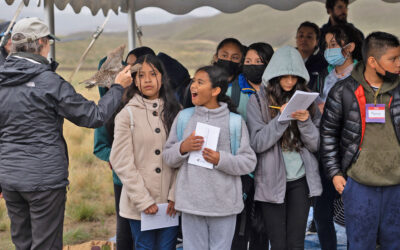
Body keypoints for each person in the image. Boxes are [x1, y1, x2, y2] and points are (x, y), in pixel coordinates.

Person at [0, 17, 132, 249]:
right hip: (44, 179)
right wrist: (119, 86)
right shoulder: (47, 81)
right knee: (46, 244)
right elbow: (94, 116)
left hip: (10, 178)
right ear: (42, 42)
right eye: (48, 42)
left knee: (22, 242)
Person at [320, 31, 400, 250]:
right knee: (359, 245)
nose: (398, 64)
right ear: (372, 62)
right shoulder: (343, 91)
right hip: (359, 186)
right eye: (393, 59)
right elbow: (328, 134)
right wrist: (335, 174)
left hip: (397, 187)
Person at [163, 65, 257, 250]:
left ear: (216, 90)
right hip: (191, 205)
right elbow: (168, 157)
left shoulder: (234, 122)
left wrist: (220, 159)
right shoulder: (184, 117)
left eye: (200, 82)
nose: (193, 86)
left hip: (224, 206)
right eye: (193, 81)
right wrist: (183, 147)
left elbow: (249, 161)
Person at [246, 45, 322, 250]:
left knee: (296, 243)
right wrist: (281, 119)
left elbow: (316, 144)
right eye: (284, 76)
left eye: (294, 76)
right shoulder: (257, 101)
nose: (289, 81)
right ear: (274, 75)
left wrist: (305, 121)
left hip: (301, 179)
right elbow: (257, 143)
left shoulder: (308, 101)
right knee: (278, 244)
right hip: (271, 180)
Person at [109, 54, 181, 250]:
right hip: (139, 204)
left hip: (170, 204)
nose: (147, 80)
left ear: (162, 77)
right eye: (141, 75)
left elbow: (182, 157)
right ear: (134, 79)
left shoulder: (176, 111)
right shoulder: (127, 114)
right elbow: (121, 161)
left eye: (153, 74)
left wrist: (175, 194)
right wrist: (143, 200)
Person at [93, 46, 155, 250]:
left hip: (154, 179)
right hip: (123, 180)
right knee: (126, 233)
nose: (129, 70)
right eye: (126, 67)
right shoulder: (107, 108)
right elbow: (100, 146)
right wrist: (115, 158)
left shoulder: (156, 104)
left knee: (153, 232)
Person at [312, 23, 362, 250]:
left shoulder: (365, 75)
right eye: (326, 45)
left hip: (356, 154)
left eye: (334, 44)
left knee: (357, 213)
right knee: (322, 213)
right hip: (326, 151)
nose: (328, 49)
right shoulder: (323, 77)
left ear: (349, 47)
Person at [228, 42, 273, 250]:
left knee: (262, 227)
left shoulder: (276, 91)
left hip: (269, 168)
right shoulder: (232, 91)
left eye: (258, 62)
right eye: (248, 61)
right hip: (241, 169)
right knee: (240, 225)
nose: (252, 65)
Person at [183, 38, 245, 108]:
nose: (229, 60)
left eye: (235, 58)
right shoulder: (198, 83)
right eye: (224, 56)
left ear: (241, 62)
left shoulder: (244, 86)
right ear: (216, 57)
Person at [296, 21, 328, 91]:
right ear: (296, 38)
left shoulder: (324, 63)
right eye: (301, 36)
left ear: (317, 41)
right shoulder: (288, 59)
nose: (304, 39)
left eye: (309, 37)